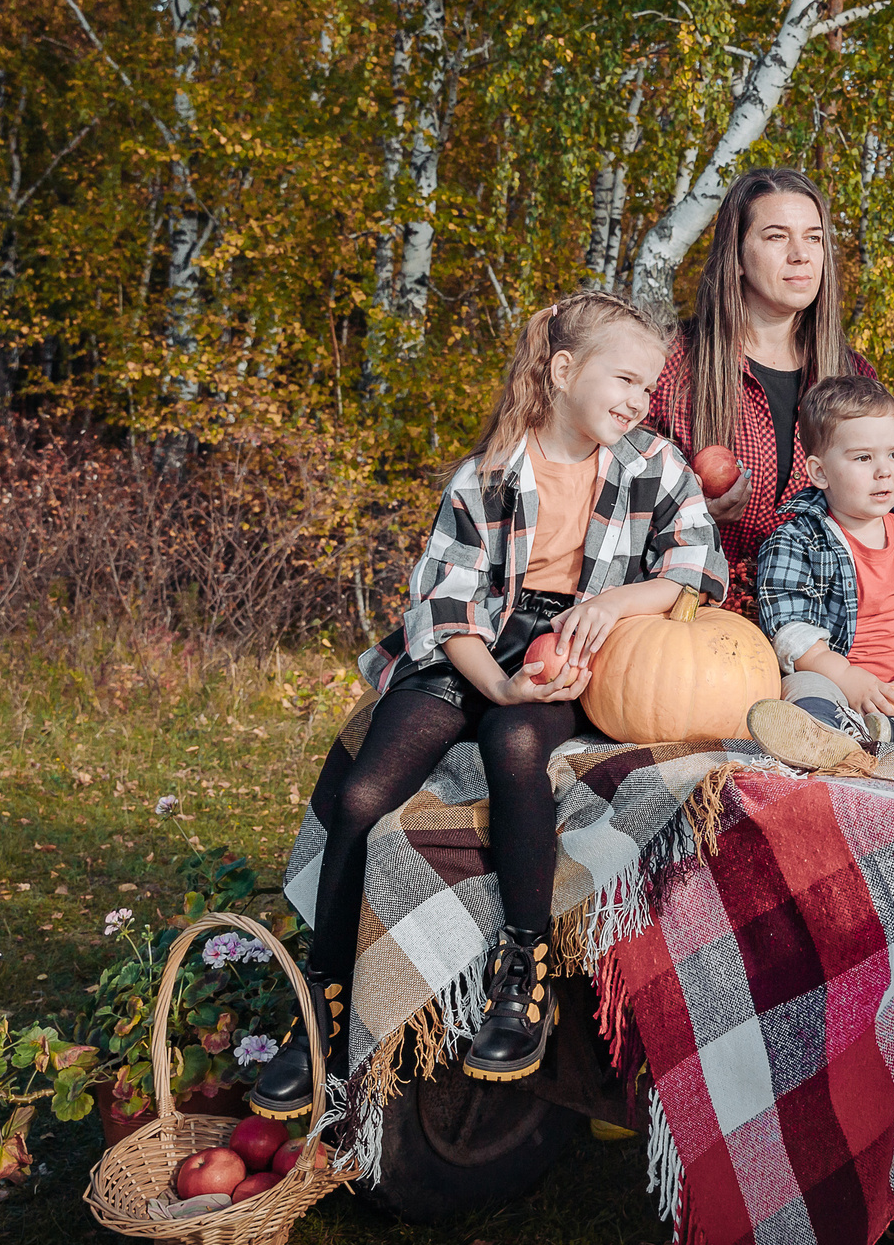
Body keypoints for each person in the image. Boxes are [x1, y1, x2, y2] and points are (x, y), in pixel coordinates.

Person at [250, 292, 723, 1120]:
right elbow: (447, 609)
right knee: (363, 796)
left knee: (515, 748)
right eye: (623, 379)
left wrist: (612, 607)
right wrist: (495, 681)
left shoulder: (654, 463)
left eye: (648, 388)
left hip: (565, 650)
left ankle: (525, 964)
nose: (637, 401)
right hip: (466, 651)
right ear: (563, 369)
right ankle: (321, 1006)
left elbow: (696, 565)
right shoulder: (489, 474)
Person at [647, 169, 876, 613]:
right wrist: (693, 515)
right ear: (735, 256)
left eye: (813, 238)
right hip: (695, 617)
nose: (800, 255)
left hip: (821, 627)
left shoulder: (854, 379)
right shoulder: (672, 367)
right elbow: (613, 502)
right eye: (776, 237)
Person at [744, 375, 894, 767]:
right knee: (801, 689)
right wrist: (848, 679)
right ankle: (847, 740)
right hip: (840, 685)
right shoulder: (796, 541)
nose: (884, 471)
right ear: (820, 472)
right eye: (863, 458)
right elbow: (791, 632)